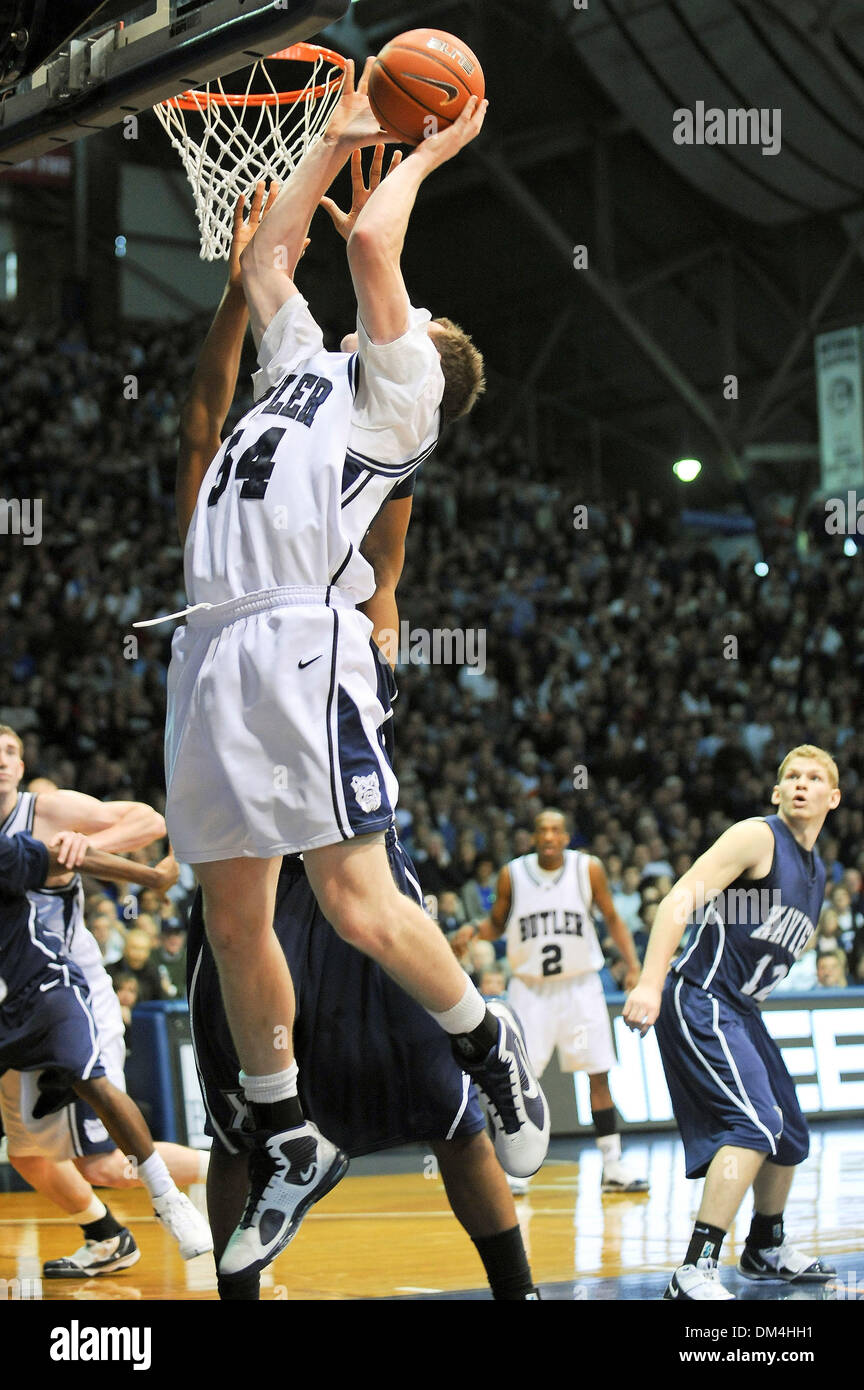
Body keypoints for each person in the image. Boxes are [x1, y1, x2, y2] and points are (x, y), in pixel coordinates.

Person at [161, 60, 548, 1282]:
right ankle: (284, 1133)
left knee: (354, 902)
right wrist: (335, 132)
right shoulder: (305, 381)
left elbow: (375, 244)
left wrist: (422, 149)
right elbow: (269, 264)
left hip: (292, 640)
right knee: (233, 919)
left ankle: (488, 1045)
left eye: (408, 317)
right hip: (209, 639)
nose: (391, 310)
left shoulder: (407, 397)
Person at [623, 745, 840, 1300]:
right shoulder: (757, 837)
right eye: (790, 775)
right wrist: (650, 981)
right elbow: (678, 901)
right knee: (753, 1126)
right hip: (700, 996)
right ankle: (694, 1269)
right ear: (775, 792)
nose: (800, 784)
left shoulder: (818, 872)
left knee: (789, 1131)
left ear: (832, 799)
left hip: (741, 1010)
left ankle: (765, 1246)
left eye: (814, 778)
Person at [0, 742, 208, 1275]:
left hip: (64, 988)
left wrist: (89, 845)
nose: (1, 760)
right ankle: (107, 1237)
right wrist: (154, 878)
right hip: (11, 1003)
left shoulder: (41, 813)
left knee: (106, 1163)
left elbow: (149, 819)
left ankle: (225, 1169)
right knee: (27, 1155)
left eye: (10, 751)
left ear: (22, 767)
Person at [470, 808, 649, 1195]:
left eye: (556, 831)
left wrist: (634, 965)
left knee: (598, 1072)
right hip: (530, 989)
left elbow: (613, 917)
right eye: (542, 831)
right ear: (534, 838)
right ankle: (518, 1167)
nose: (549, 837)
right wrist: (471, 933)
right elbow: (496, 924)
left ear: (566, 837)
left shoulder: (588, 870)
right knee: (516, 1081)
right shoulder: (513, 874)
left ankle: (612, 1164)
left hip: (580, 987)